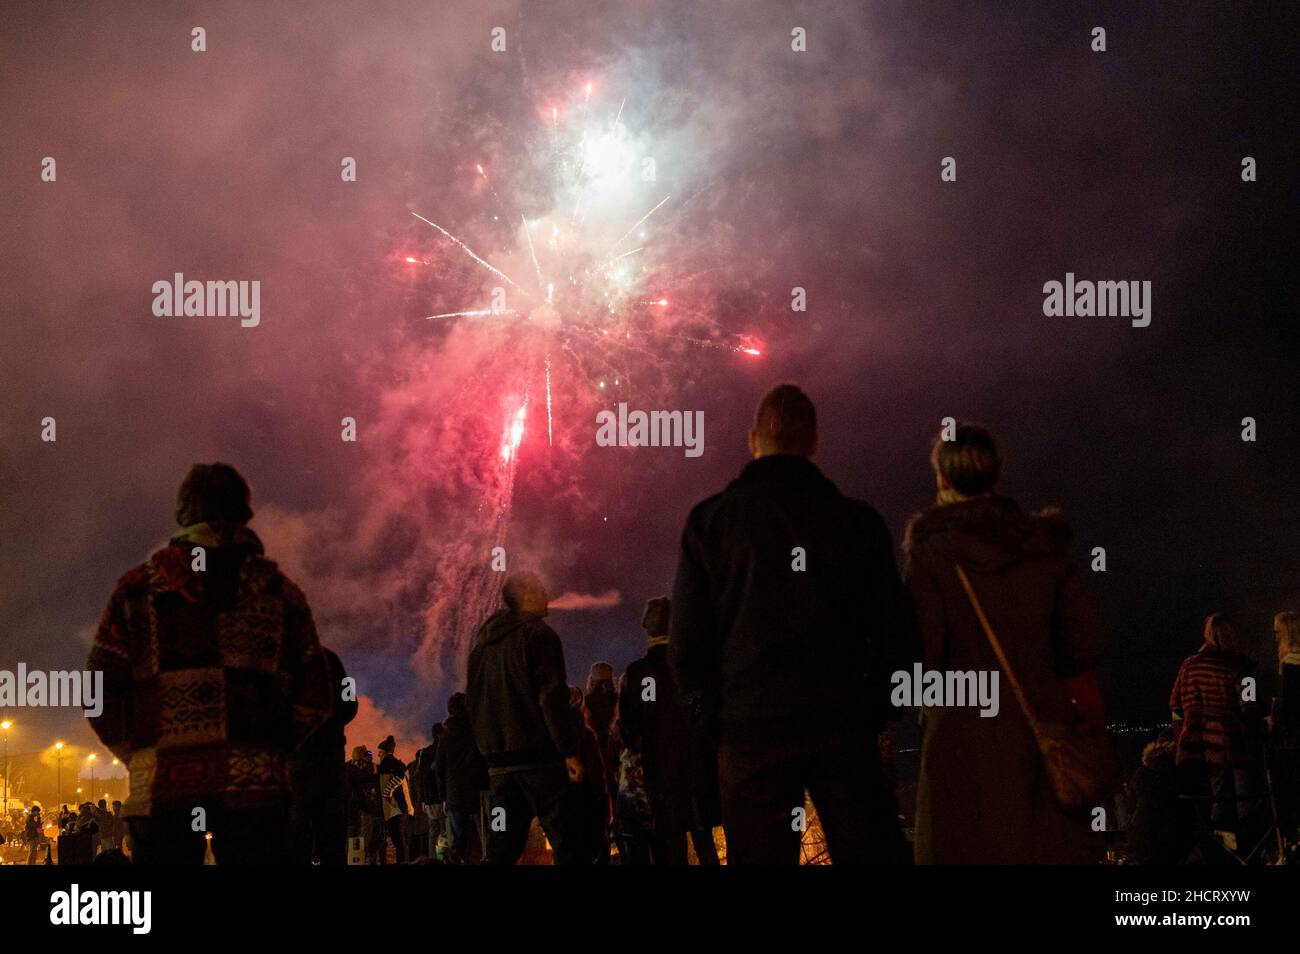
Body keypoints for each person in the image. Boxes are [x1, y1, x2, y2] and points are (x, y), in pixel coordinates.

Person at [670, 384, 915, 865]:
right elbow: (897, 634)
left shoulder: (710, 523)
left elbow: (686, 647)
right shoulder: (857, 522)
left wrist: (717, 722)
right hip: (842, 724)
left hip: (749, 728)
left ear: (752, 440)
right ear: (814, 442)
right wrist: (874, 710)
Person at [85, 462, 335, 864]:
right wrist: (270, 749)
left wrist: (140, 753)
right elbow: (316, 695)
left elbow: (97, 690)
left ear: (183, 513)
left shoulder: (136, 590)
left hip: (160, 791)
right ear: (244, 512)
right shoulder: (280, 594)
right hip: (256, 794)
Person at [904, 423, 1107, 863]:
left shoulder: (930, 554)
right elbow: (1084, 641)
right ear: (996, 473)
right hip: (1040, 728)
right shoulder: (1044, 545)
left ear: (942, 477)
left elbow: (923, 653)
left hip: (961, 737)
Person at [467, 572, 583, 865]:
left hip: (499, 766)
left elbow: (474, 702)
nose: (548, 597)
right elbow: (551, 698)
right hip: (539, 760)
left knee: (501, 849)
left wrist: (487, 750)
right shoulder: (540, 635)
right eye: (542, 591)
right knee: (569, 842)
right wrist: (568, 750)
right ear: (528, 597)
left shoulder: (481, 647)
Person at [620, 596, 722, 864]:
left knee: (672, 849)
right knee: (705, 843)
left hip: (661, 776)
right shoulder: (695, 668)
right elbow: (708, 715)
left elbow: (631, 729)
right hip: (698, 769)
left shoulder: (638, 673)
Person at [1170, 614, 1264, 829]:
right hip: (1233, 744)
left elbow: (1175, 705)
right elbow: (1249, 706)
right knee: (1246, 801)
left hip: (1197, 745)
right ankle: (1250, 850)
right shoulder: (1240, 667)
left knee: (1218, 800)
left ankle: (1221, 849)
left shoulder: (1188, 666)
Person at [290, 647, 358, 865]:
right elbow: (349, 705)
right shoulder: (330, 660)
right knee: (332, 838)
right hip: (329, 761)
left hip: (294, 763)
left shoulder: (279, 660)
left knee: (297, 834)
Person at [435, 692, 488, 864]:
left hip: (455, 794)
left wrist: (444, 797)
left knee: (458, 840)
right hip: (479, 792)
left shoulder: (445, 737)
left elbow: (440, 769)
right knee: (487, 835)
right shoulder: (478, 731)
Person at [567, 686, 610, 863]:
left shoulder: (549, 738)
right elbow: (596, 773)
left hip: (564, 805)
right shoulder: (585, 736)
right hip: (588, 801)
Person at [344, 746, 382, 864]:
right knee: (355, 840)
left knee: (349, 840)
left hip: (347, 811)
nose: (367, 761)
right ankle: (355, 862)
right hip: (355, 812)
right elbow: (366, 786)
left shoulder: (346, 768)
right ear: (360, 758)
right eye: (365, 757)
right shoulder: (356, 772)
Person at [376, 736, 411, 863]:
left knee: (398, 841)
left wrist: (387, 792)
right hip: (400, 807)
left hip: (393, 808)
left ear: (385, 752)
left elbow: (399, 776)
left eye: (380, 752)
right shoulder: (398, 763)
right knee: (400, 841)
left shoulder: (387, 763)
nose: (378, 755)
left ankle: (401, 862)